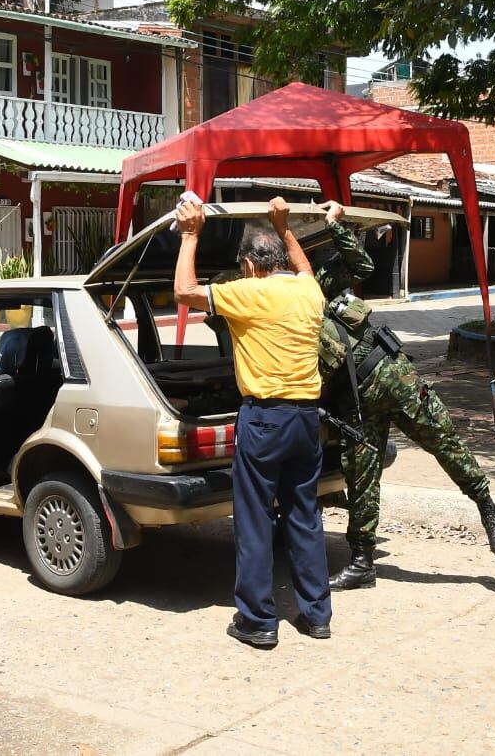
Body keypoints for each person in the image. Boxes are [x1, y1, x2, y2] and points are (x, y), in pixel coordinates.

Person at [312, 201, 495, 591]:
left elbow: (364, 266)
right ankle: (361, 562)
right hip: (354, 399)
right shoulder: (271, 311)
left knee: (443, 441)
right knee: (362, 477)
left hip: (395, 376)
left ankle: (486, 507)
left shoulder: (316, 282)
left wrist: (336, 225)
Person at [173, 196, 331, 649]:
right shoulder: (308, 291)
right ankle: (316, 615)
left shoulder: (250, 292)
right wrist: (285, 227)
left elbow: (184, 291)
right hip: (305, 419)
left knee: (255, 520)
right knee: (303, 515)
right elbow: (306, 270)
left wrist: (190, 235)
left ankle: (258, 620)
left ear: (248, 266)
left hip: (264, 420)